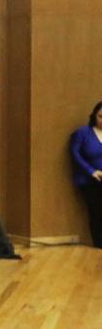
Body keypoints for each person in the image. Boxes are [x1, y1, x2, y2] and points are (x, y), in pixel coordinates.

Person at [70, 101, 102, 248]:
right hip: (89, 180)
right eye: (101, 116)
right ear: (94, 116)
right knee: (97, 212)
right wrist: (91, 171)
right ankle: (99, 245)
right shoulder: (83, 133)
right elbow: (75, 154)